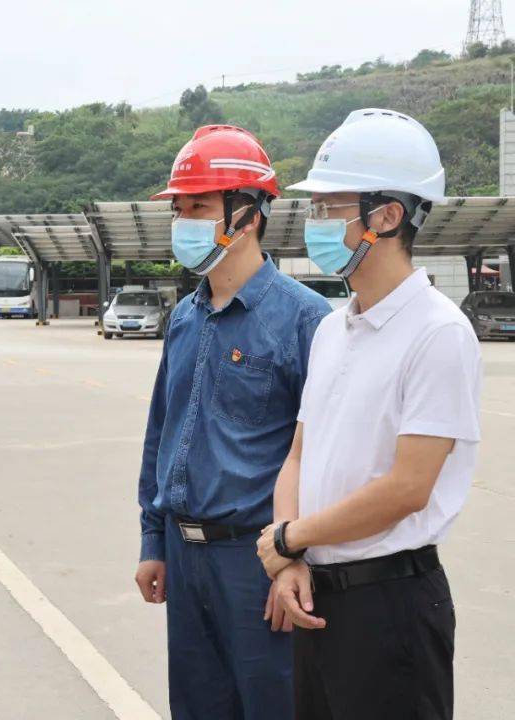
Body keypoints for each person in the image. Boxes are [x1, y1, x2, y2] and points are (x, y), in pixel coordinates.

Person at [257, 108, 481, 720]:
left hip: (393, 606)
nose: (315, 221)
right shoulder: (334, 329)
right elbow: (299, 455)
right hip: (315, 592)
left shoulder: (438, 333)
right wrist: (291, 560)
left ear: (386, 216)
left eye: (330, 206)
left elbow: (408, 488)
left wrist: (287, 538)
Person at [134, 125, 331, 719]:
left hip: (256, 561)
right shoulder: (184, 319)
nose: (184, 220)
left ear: (246, 216)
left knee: (272, 707)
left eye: (199, 206)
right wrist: (153, 538)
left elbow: (321, 454)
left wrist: (294, 557)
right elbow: (161, 432)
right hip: (183, 555)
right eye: (180, 208)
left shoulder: (305, 319)